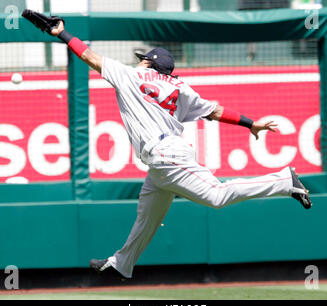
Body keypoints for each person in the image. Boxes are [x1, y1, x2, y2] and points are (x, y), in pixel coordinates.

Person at [50, 21, 311, 280]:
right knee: (148, 215)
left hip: (166, 156)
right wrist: (251, 123)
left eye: (144, 59)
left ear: (150, 63)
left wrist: (62, 33)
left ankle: (284, 181)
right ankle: (122, 262)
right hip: (164, 158)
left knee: (217, 195)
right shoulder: (180, 86)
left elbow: (88, 55)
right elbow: (215, 111)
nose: (140, 61)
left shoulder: (129, 75)